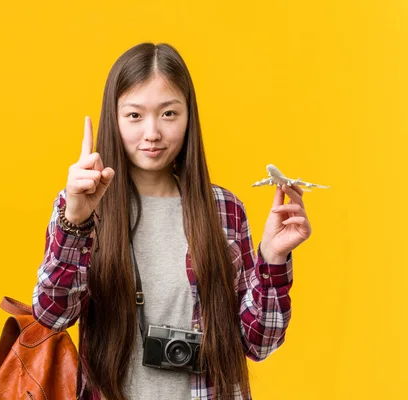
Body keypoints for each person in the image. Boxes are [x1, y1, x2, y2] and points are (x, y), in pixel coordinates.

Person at [32, 42, 311, 400]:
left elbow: (258, 342)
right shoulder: (83, 205)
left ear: (188, 117)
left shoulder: (223, 210)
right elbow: (52, 315)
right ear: (113, 119)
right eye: (134, 115)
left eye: (168, 114)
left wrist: (272, 259)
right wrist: (75, 220)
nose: (152, 133)